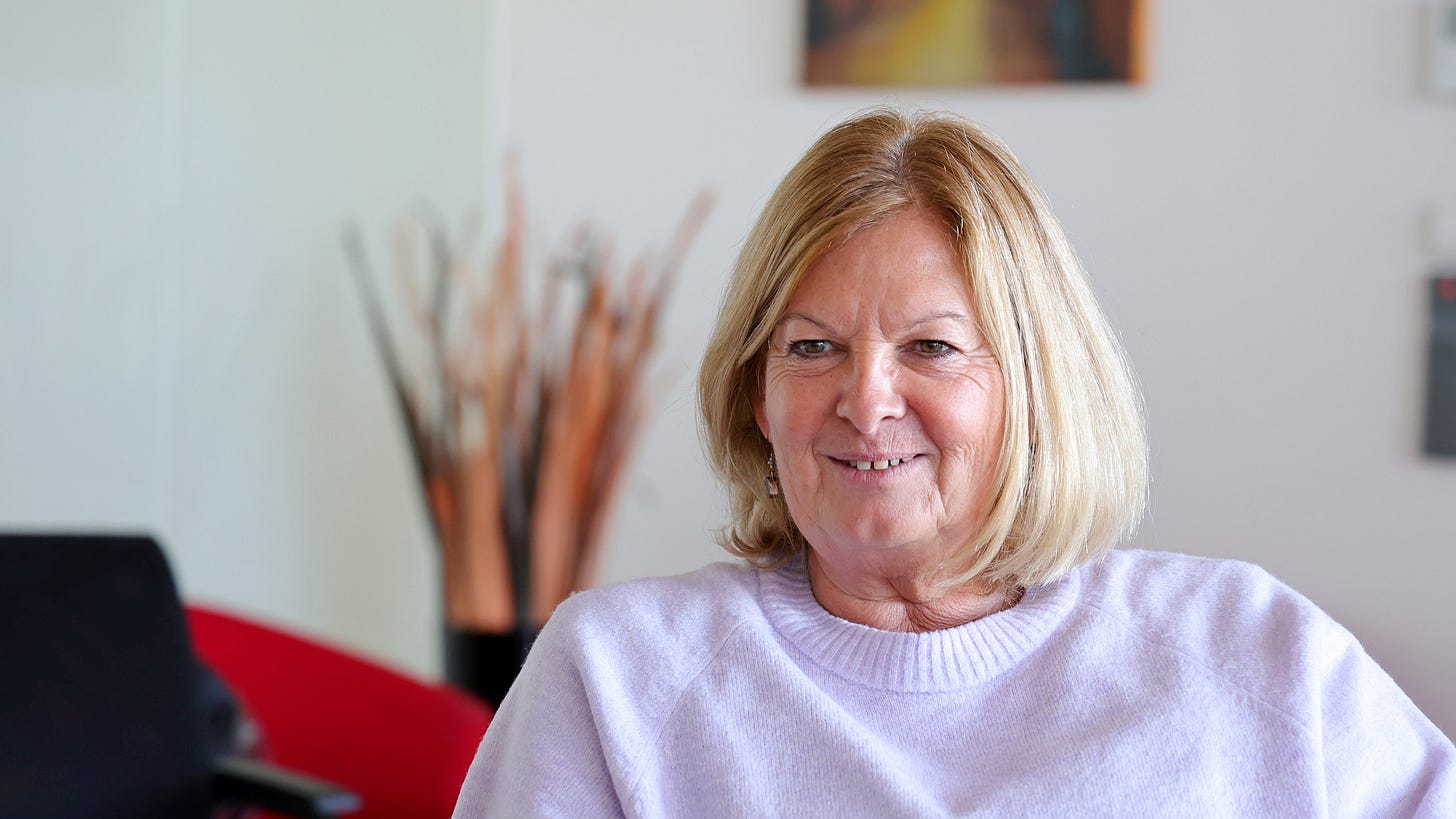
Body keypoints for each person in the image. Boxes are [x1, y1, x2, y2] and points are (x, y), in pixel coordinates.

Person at [452, 109, 1454, 817]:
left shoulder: (1253, 650)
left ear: (1037, 390)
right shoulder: (616, 673)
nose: (865, 400)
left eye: (930, 347)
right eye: (812, 347)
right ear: (757, 397)